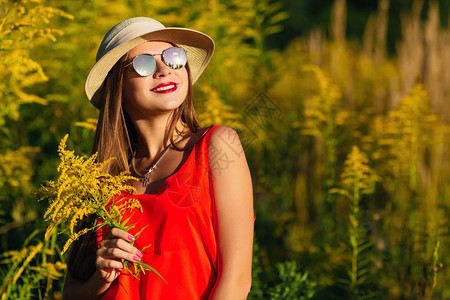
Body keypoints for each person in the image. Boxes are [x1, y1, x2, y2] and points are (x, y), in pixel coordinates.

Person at [62, 17, 254, 300]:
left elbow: (236, 282)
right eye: (143, 64)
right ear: (119, 89)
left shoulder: (217, 146)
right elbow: (71, 294)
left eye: (173, 58)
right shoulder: (100, 178)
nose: (164, 70)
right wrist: (100, 278)